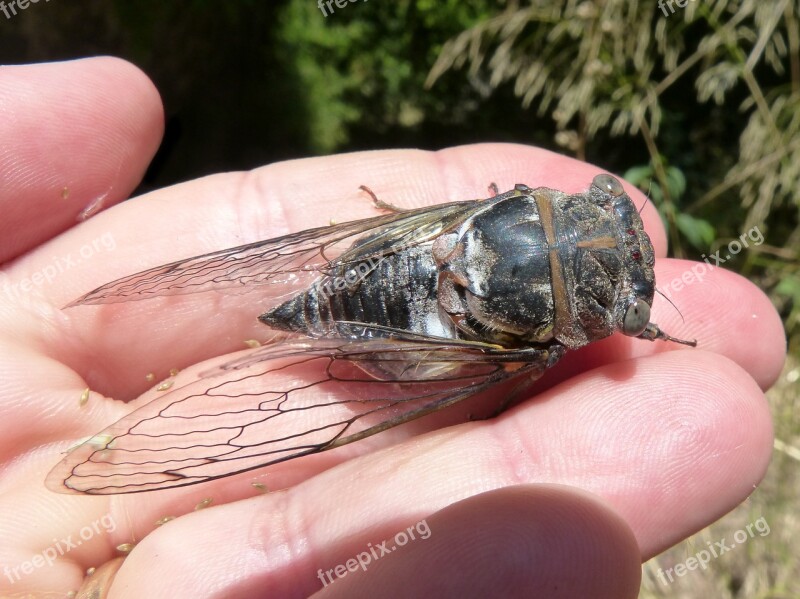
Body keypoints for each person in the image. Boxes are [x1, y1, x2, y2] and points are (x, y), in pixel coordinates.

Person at [0, 57, 784, 598]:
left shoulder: (522, 210)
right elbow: (512, 368)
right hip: (417, 328)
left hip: (406, 256)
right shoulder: (549, 342)